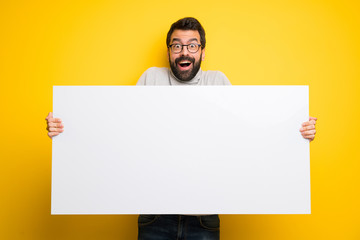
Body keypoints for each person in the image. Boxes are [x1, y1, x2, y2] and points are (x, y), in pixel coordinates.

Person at [46, 17, 317, 240]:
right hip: (154, 214)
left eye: (192, 45)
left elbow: (245, 137)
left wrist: (294, 132)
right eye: (177, 46)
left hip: (204, 217)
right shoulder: (151, 79)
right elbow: (119, 131)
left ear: (201, 52)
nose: (184, 51)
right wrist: (67, 130)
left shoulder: (217, 83)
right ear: (169, 51)